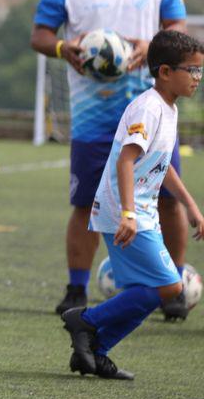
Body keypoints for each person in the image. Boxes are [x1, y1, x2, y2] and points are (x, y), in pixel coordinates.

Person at [31, 0, 190, 319]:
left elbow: (178, 27)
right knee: (87, 202)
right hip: (93, 115)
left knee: (167, 200)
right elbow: (40, 35)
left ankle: (173, 286)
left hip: (151, 111)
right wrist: (65, 47)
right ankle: (76, 290)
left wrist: (152, 45)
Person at [62, 30, 204, 380]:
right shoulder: (149, 107)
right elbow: (126, 160)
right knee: (170, 288)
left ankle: (95, 351)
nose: (198, 79)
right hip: (125, 212)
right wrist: (128, 213)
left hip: (137, 212)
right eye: (192, 70)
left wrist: (190, 206)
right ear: (166, 72)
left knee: (151, 291)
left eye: (201, 71)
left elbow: (161, 164)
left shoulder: (167, 109)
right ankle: (86, 321)